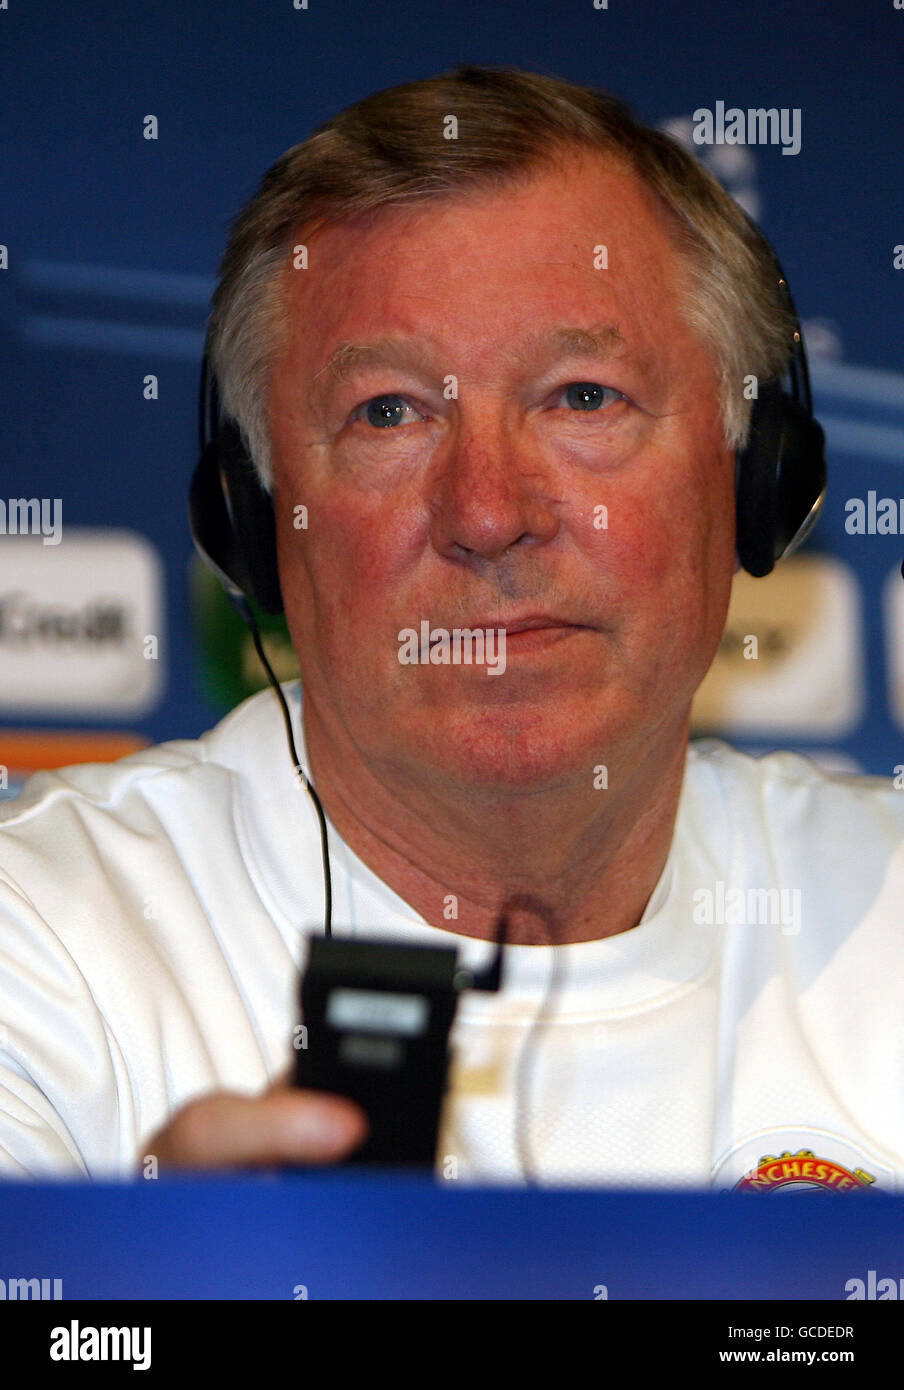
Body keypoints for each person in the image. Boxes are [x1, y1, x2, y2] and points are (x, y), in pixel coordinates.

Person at [0, 66, 900, 1192]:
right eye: (389, 413)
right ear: (253, 514)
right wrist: (146, 1282)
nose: (487, 513)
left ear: (759, 478)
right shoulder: (39, 942)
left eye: (582, 396)